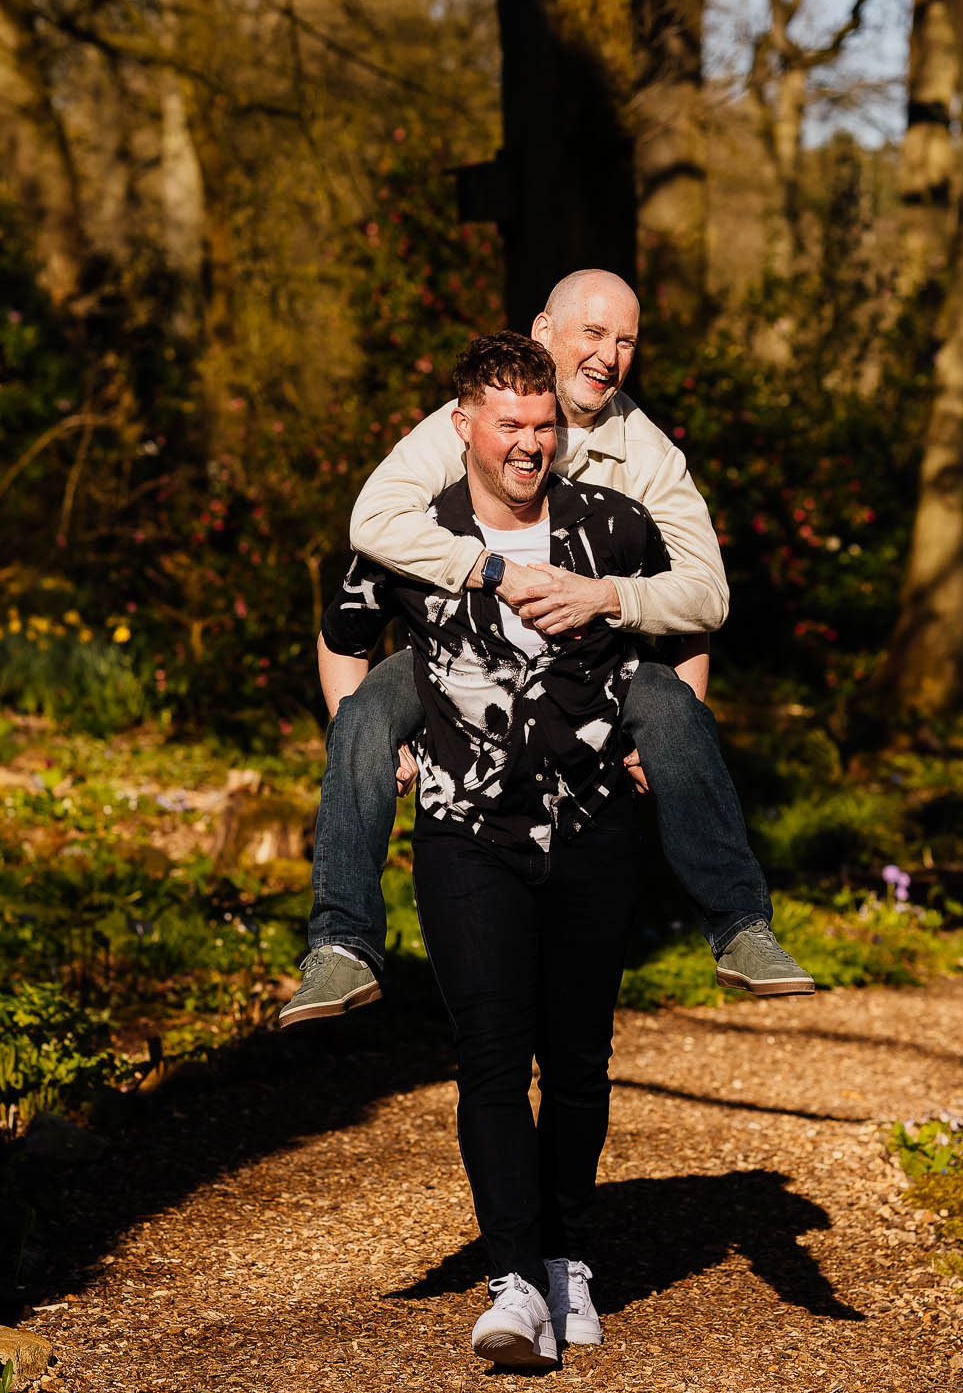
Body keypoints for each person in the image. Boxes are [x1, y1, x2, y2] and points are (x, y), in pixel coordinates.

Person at [280, 267, 812, 1028]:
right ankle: (340, 945)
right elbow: (373, 525)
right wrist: (487, 570)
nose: (608, 356)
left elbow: (706, 598)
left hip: (594, 659)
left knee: (670, 709)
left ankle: (739, 929)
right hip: (456, 652)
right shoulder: (474, 416)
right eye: (593, 333)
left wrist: (607, 598)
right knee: (362, 718)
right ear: (544, 333)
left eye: (625, 340)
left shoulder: (650, 458)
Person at [315, 332, 668, 1363]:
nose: (529, 443)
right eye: (508, 424)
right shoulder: (411, 531)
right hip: (467, 832)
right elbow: (345, 636)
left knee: (579, 1061)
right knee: (487, 1055)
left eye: (543, 425)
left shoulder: (613, 523)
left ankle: (568, 1260)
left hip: (596, 825)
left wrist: (668, 728)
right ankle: (513, 1277)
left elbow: (678, 623)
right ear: (461, 423)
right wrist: (367, 737)